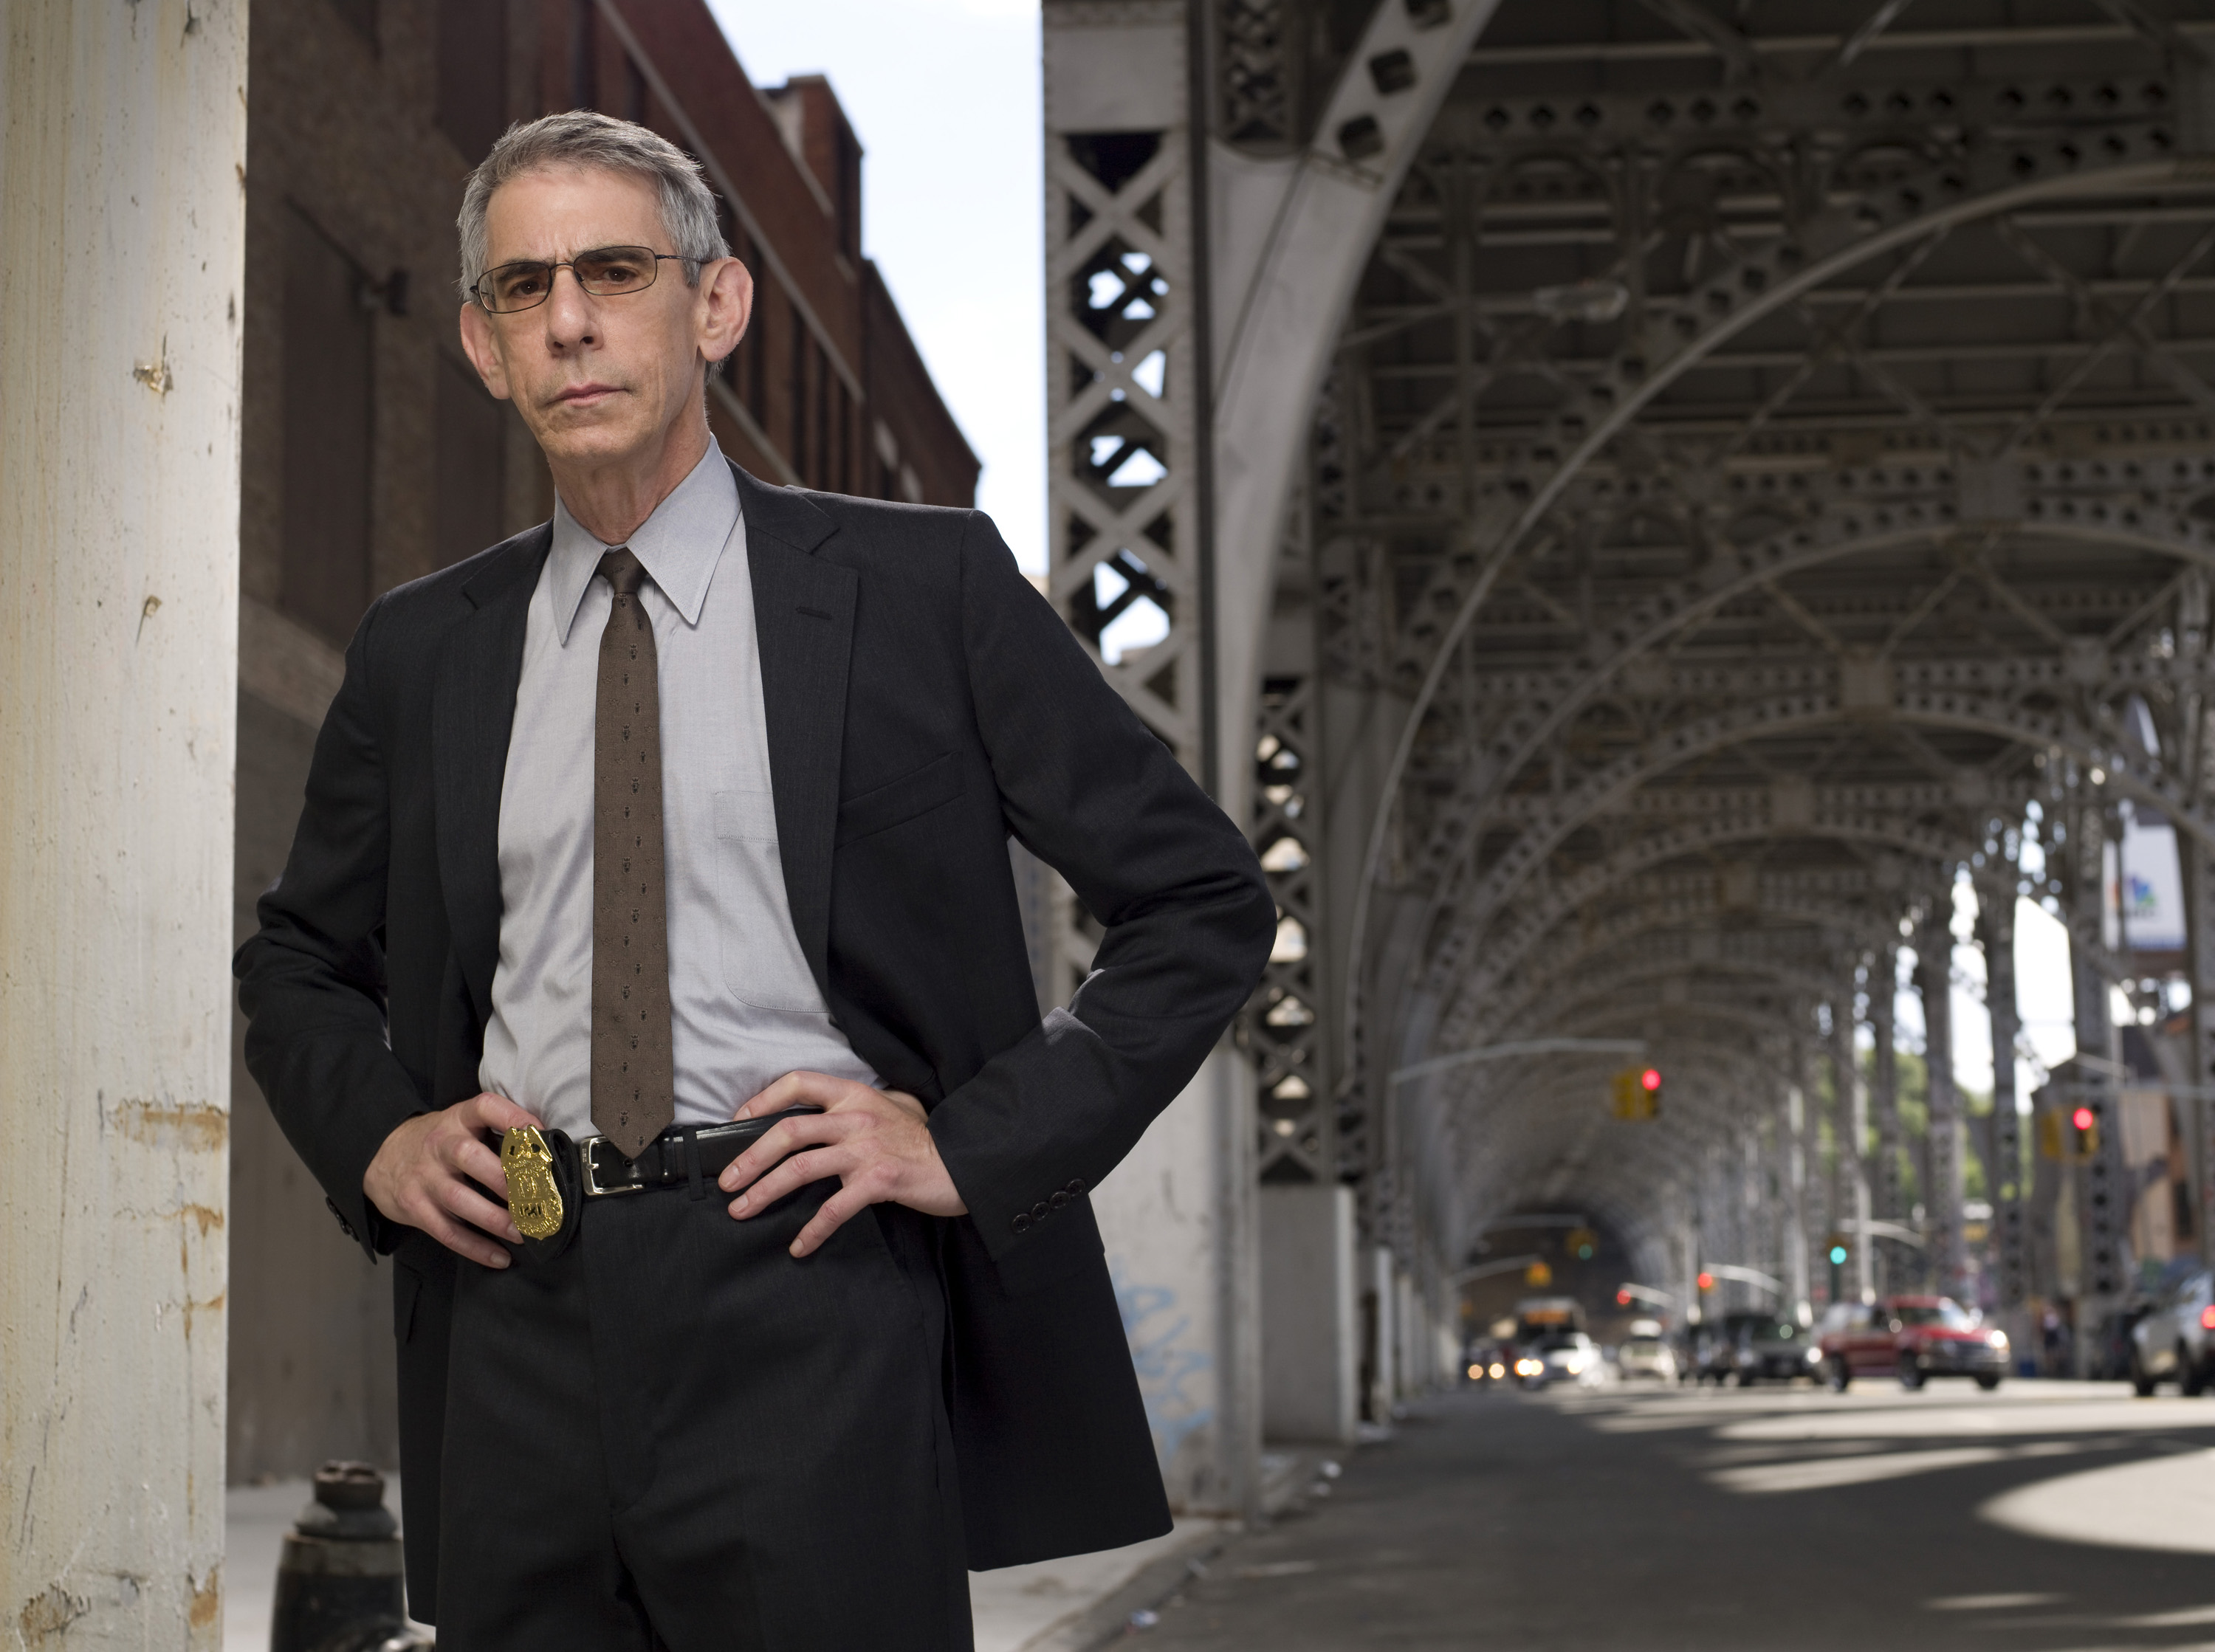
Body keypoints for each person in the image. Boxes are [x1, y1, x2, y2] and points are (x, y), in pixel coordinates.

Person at [236, 110, 1272, 1651]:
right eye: (525, 289)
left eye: (613, 270)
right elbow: (300, 959)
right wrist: (377, 1140)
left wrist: (974, 1143)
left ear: (714, 306)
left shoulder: (926, 594)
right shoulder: (423, 648)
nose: (570, 319)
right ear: (480, 341)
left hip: (812, 1291)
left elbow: (1201, 901)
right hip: (513, 1306)